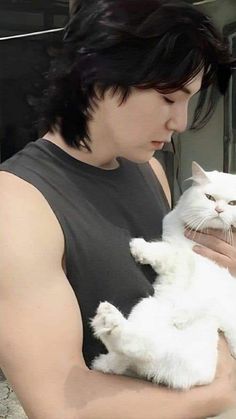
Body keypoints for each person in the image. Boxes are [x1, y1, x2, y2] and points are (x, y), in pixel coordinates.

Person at [0, 1, 236, 418]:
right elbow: (59, 403)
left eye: (189, 101)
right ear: (99, 80)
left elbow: (171, 287)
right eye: (167, 98)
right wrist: (223, 392)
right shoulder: (16, 204)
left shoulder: (149, 169)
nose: (180, 123)